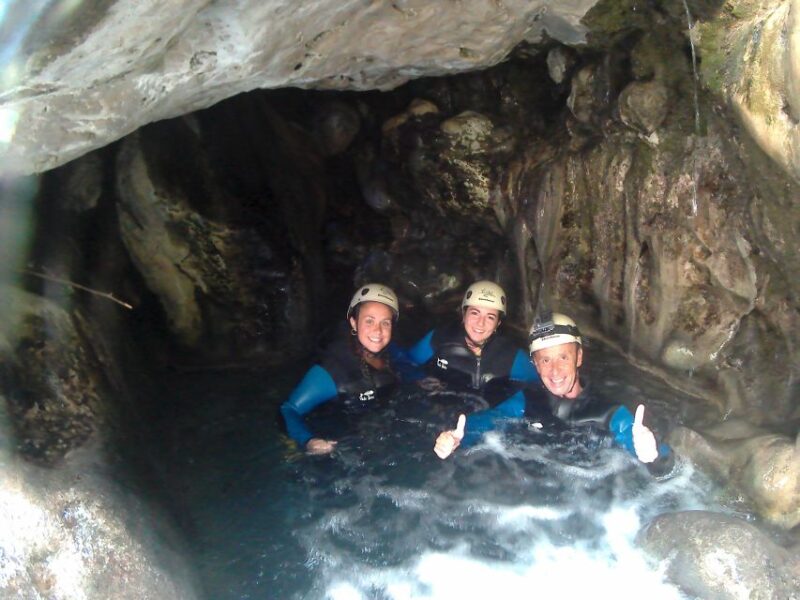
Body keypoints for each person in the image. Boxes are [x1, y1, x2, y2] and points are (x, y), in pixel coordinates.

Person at [433, 312, 671, 473]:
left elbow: (664, 464)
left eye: (563, 357)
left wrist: (653, 456)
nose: (555, 370)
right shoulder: (528, 400)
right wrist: (458, 439)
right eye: (545, 360)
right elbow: (490, 421)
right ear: (535, 365)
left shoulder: (608, 413)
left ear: (579, 357)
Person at [280, 283, 404, 455]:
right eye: (369, 321)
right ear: (354, 323)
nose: (378, 331)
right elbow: (289, 409)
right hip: (336, 441)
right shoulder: (333, 369)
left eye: (386, 323)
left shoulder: (390, 352)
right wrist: (309, 440)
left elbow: (409, 363)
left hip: (373, 432)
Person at [406, 280, 539, 392]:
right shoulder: (439, 338)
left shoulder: (511, 355)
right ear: (464, 315)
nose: (480, 323)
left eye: (490, 317)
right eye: (475, 313)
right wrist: (420, 380)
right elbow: (406, 364)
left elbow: (538, 387)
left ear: (497, 323)